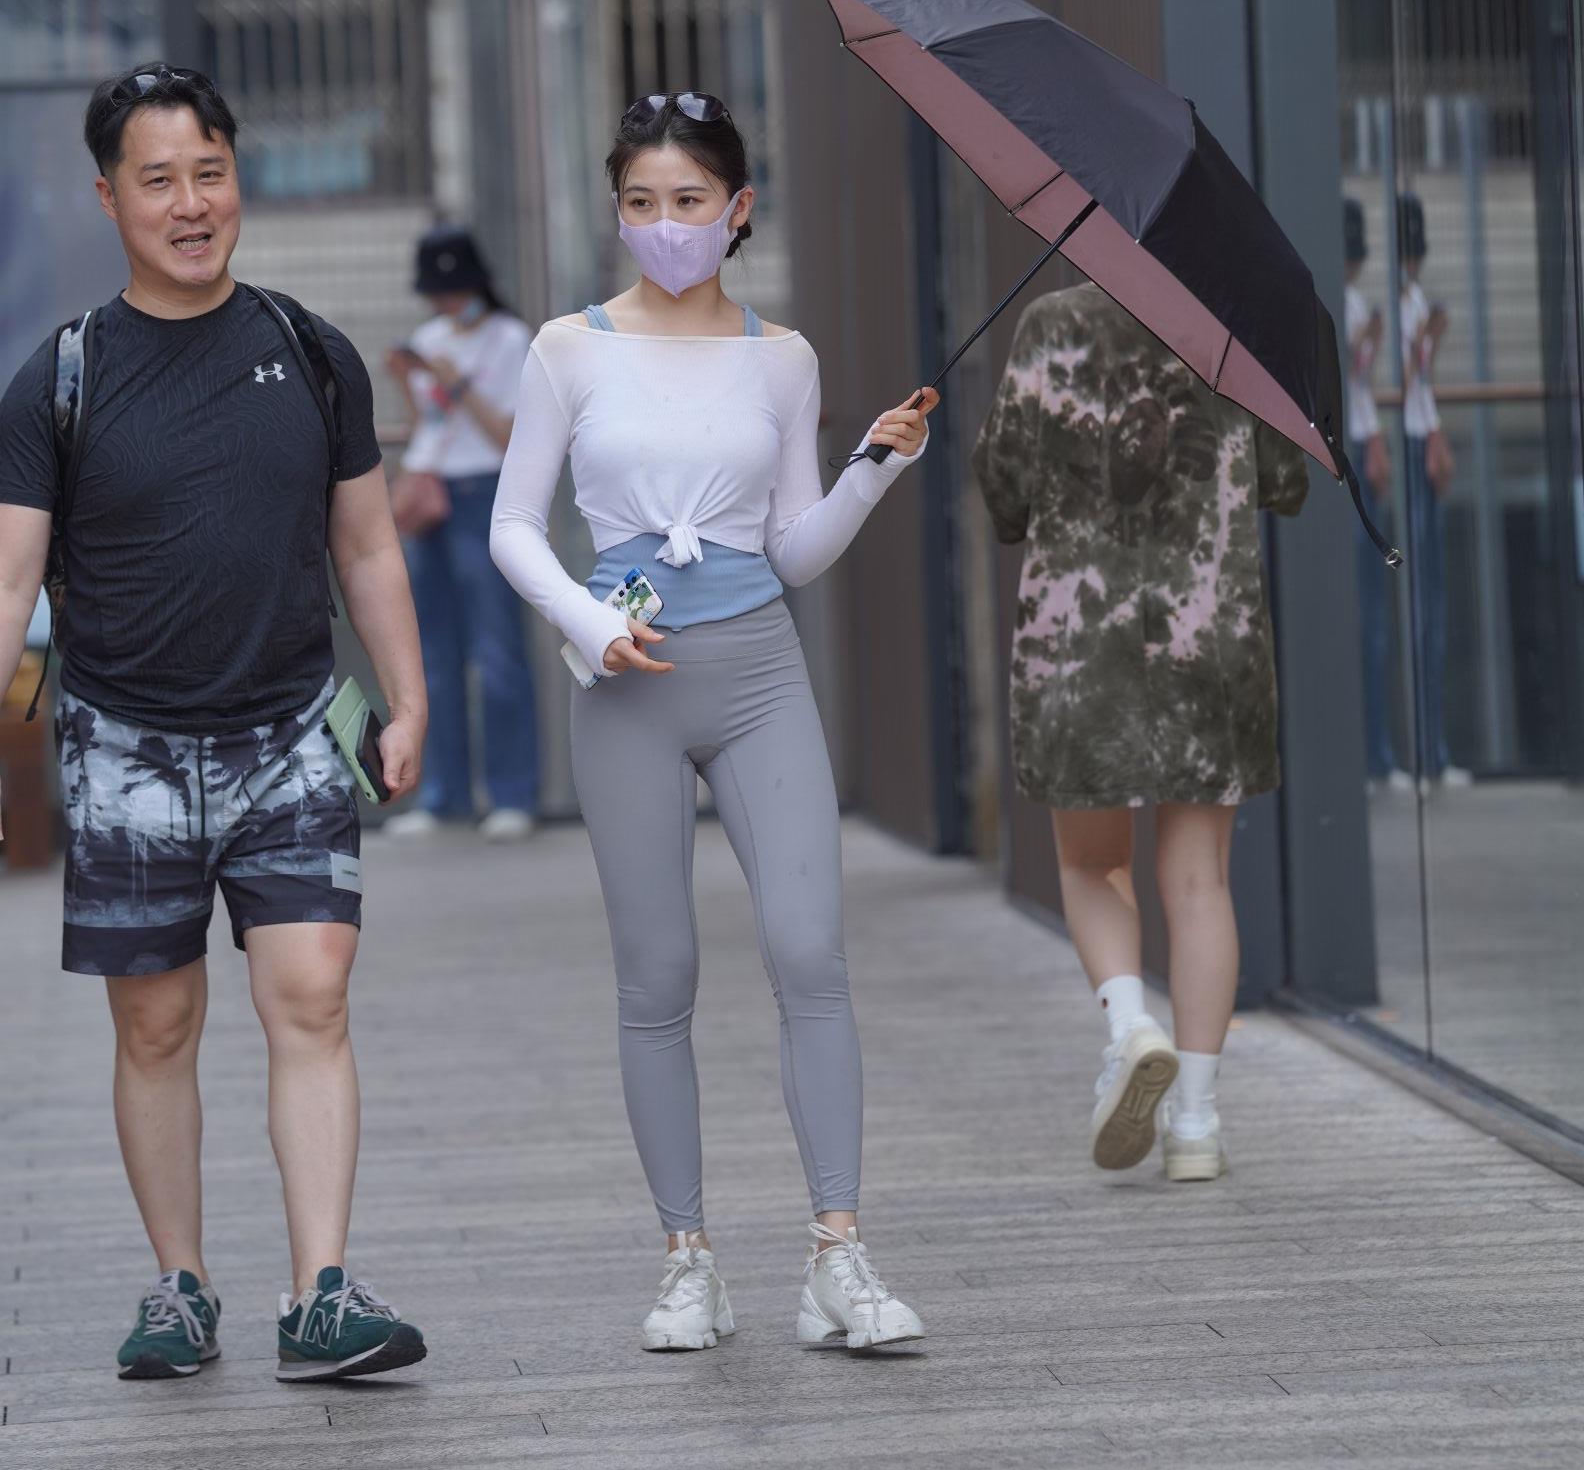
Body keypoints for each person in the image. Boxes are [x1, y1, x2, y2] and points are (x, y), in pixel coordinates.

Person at [0, 64, 429, 1383]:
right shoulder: (60, 376)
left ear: (237, 178)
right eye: (159, 180)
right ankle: (180, 1286)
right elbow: (11, 583)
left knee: (313, 995)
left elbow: (366, 546)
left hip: (293, 728)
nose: (191, 204)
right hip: (122, 746)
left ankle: (323, 1294)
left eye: (210, 173)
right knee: (156, 1026)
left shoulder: (310, 350)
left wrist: (406, 698)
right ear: (110, 198)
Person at [489, 91, 937, 1352]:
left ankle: (838, 1257)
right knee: (659, 977)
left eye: (690, 201)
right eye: (642, 202)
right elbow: (513, 525)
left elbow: (791, 552)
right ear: (618, 211)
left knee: (810, 953)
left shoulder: (782, 358)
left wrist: (874, 469)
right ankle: (687, 1262)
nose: (666, 223)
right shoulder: (566, 349)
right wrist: (587, 621)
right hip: (625, 680)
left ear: (738, 210)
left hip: (758, 675)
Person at [972, 284, 1308, 1183]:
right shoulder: (1241, 319)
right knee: (1199, 881)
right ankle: (1196, 1122)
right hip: (1211, 638)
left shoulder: (1053, 324)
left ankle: (1130, 1029)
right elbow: (1284, 479)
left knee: (1091, 865)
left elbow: (1005, 493)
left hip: (1080, 643)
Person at [384, 224, 538, 840]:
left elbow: (507, 435)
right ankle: (441, 794)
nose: (445, 302)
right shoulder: (430, 336)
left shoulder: (511, 338)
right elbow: (425, 423)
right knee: (433, 656)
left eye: (453, 289)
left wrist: (455, 383)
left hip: (485, 494)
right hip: (435, 497)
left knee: (497, 651)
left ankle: (512, 794)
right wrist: (407, 377)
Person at [1397, 192, 1469, 789]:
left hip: (1419, 438)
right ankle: (1422, 751)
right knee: (1419, 607)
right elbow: (1404, 380)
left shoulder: (1412, 299)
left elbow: (1421, 382)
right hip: (1407, 442)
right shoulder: (1398, 304)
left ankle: (1433, 750)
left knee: (1433, 604)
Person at [1344, 200, 1404, 788]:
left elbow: (1361, 383)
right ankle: (1370, 751)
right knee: (1364, 612)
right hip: (1350, 448)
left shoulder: (1356, 301)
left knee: (1375, 611)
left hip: (1363, 442)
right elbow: (1343, 378)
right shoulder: (1341, 302)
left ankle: (1380, 751)